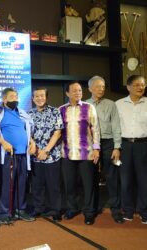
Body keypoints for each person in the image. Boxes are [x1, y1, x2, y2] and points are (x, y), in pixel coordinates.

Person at [59, 81, 100, 225]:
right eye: (75, 91)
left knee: (88, 185)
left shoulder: (89, 107)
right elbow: (58, 132)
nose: (78, 93)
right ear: (67, 93)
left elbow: (95, 128)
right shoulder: (61, 110)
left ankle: (89, 212)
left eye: (80, 90)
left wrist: (96, 148)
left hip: (86, 153)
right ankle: (72, 208)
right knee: (69, 184)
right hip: (67, 153)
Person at [86, 76, 124, 224]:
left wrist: (117, 147)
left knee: (112, 178)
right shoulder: (85, 105)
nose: (101, 89)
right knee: (91, 178)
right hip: (90, 145)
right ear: (90, 89)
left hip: (108, 143)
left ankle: (116, 210)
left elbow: (116, 126)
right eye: (97, 86)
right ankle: (91, 210)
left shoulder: (111, 104)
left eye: (103, 86)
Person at [0, 88, 35, 225]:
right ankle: (4, 212)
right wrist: (3, 142)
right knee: (7, 184)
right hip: (8, 155)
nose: (16, 99)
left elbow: (29, 130)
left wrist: (32, 142)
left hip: (23, 154)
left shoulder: (22, 113)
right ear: (5, 99)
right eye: (12, 97)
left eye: (17, 96)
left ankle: (20, 209)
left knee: (22, 183)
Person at [115, 75, 147, 225]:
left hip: (144, 145)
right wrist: (117, 148)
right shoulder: (118, 104)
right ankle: (127, 210)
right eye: (136, 85)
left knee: (144, 180)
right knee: (125, 180)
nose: (140, 87)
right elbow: (115, 128)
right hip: (125, 145)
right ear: (128, 87)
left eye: (143, 85)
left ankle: (144, 211)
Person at [29, 87, 63, 222]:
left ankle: (56, 210)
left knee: (53, 185)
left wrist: (46, 150)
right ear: (33, 99)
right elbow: (27, 134)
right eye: (36, 96)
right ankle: (38, 209)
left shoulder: (55, 112)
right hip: (35, 156)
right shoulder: (29, 114)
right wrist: (36, 149)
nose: (39, 98)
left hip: (52, 156)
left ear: (46, 97)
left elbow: (57, 132)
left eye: (42, 96)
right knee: (37, 185)